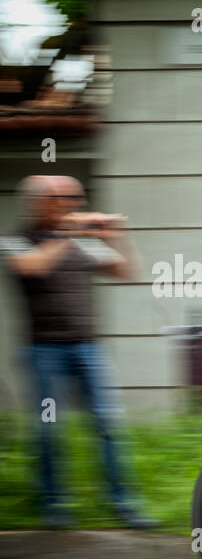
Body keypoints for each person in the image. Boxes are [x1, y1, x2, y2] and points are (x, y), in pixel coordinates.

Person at [1, 175, 156, 530]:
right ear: (39, 202)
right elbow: (34, 266)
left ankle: (124, 504)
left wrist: (118, 234)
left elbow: (126, 270)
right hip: (42, 352)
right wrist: (70, 232)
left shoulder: (78, 243)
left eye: (73, 198)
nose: (71, 205)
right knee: (47, 429)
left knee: (107, 426)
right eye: (62, 199)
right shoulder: (14, 242)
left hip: (88, 349)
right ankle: (54, 506)